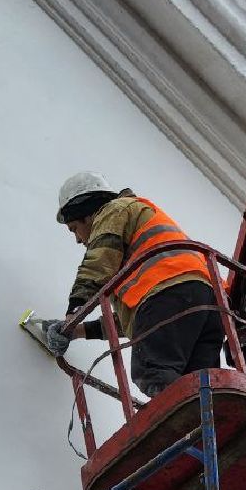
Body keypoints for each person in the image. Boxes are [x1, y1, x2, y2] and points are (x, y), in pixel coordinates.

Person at [38, 171, 225, 399]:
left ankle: (184, 426)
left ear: (86, 213)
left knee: (152, 371)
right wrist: (79, 331)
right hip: (210, 306)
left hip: (171, 293)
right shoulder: (138, 256)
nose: (78, 239)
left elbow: (98, 264)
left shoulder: (114, 210)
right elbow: (141, 321)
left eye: (74, 228)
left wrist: (72, 314)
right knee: (199, 386)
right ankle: (206, 428)